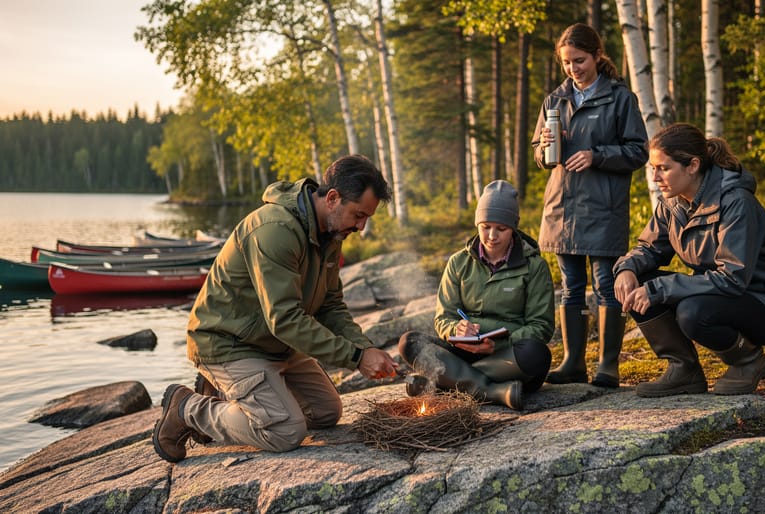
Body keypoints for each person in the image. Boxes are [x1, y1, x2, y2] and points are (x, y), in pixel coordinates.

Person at [152, 155, 399, 463]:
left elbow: (331, 306)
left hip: (274, 344)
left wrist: (365, 348)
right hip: (229, 343)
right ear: (332, 198)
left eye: (367, 218)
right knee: (285, 431)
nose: (361, 226)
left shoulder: (331, 232)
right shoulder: (275, 230)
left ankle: (230, 395)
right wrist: (356, 358)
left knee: (326, 412)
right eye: (359, 215)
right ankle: (187, 408)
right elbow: (284, 320)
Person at [613, 123, 765, 397]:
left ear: (692, 165)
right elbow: (650, 249)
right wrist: (627, 268)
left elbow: (733, 278)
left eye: (663, 168)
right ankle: (683, 370)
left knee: (692, 312)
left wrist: (661, 289)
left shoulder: (736, 202)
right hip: (720, 292)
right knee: (636, 281)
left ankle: (747, 361)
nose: (655, 177)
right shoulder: (672, 203)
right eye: (652, 168)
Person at [532, 22, 649, 388]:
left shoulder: (620, 98)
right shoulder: (555, 100)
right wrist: (544, 148)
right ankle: (572, 363)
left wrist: (597, 155)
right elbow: (539, 155)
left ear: (597, 55)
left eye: (579, 60)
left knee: (604, 284)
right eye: (566, 63)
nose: (572, 69)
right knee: (570, 286)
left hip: (603, 207)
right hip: (562, 207)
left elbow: (639, 150)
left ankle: (608, 366)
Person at [398, 180, 555, 410]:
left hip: (505, 356)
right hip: (462, 353)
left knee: (537, 354)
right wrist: (456, 329)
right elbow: (444, 318)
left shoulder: (535, 267)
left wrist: (499, 343)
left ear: (513, 227)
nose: (492, 236)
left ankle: (443, 384)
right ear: (477, 224)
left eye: (501, 229)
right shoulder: (458, 263)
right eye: (485, 226)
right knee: (409, 342)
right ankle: (492, 391)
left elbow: (541, 326)